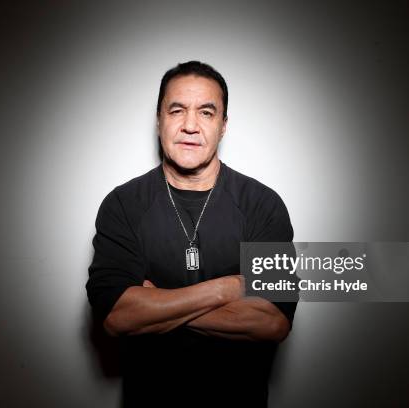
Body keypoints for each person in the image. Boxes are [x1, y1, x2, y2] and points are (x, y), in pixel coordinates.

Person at [86, 61, 297, 407]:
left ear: (224, 126)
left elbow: (271, 322)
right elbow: (117, 317)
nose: (189, 126)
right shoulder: (123, 205)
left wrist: (155, 303)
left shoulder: (263, 206)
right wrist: (226, 288)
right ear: (159, 121)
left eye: (206, 112)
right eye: (177, 110)